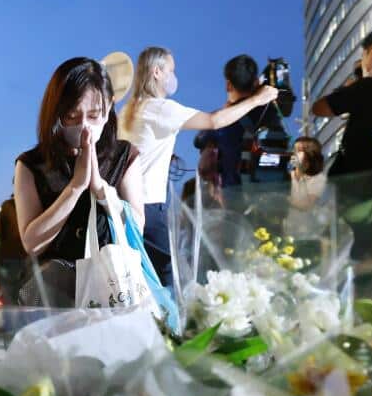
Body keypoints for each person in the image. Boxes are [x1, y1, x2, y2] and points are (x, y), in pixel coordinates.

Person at [118, 47, 278, 288]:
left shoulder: (130, 110)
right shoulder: (161, 108)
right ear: (157, 72)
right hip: (149, 207)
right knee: (169, 281)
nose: (173, 76)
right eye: (171, 70)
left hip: (124, 204)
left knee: (137, 278)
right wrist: (258, 99)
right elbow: (212, 121)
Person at [13, 57, 144, 306]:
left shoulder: (124, 156)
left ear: (109, 109)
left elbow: (137, 228)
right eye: (72, 116)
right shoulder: (31, 164)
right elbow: (32, 243)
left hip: (113, 290)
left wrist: (100, 188)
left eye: (94, 115)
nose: (85, 126)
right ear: (56, 114)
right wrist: (75, 187)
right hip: (52, 295)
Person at [311, 27, 372, 268]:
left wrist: (357, 80)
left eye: (363, 55)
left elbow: (320, 108)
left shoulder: (369, 86)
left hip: (360, 185)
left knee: (348, 253)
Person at [196, 55, 285, 190]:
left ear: (228, 85)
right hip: (275, 190)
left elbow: (200, 145)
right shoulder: (271, 112)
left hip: (237, 196)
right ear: (256, 82)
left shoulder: (223, 121)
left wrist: (227, 107)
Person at [288, 137, 327, 210]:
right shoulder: (288, 175)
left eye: (299, 151)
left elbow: (306, 205)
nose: (293, 154)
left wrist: (283, 199)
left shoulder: (318, 178)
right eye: (294, 150)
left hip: (303, 220)